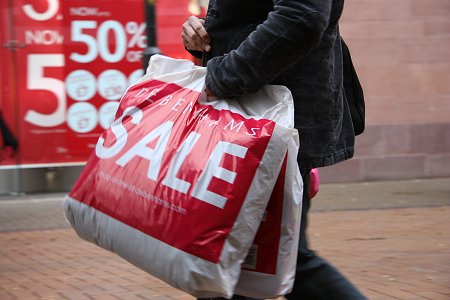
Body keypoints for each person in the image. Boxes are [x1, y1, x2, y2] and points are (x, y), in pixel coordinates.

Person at [182, 0, 366, 299]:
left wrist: (223, 75)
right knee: (239, 263)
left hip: (266, 124)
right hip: (254, 121)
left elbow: (302, 15)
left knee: (273, 262)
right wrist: (205, 32)